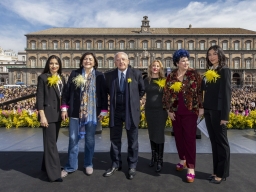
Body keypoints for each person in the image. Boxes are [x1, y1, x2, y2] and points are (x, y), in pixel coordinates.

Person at [61, 52, 108, 177]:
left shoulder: (99, 76)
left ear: (94, 62)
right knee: (72, 139)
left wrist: (103, 111)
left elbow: (103, 95)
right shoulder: (74, 73)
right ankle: (71, 166)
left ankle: (88, 164)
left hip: (92, 113)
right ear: (82, 61)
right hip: (76, 112)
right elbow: (66, 92)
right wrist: (64, 108)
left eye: (90, 59)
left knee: (90, 140)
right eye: (85, 59)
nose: (88, 61)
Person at [163, 49, 203, 183]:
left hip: (190, 111)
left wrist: (201, 107)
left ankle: (191, 167)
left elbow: (199, 92)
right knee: (178, 138)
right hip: (175, 112)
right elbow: (166, 94)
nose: (186, 63)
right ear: (177, 63)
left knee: (190, 139)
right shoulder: (171, 75)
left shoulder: (194, 74)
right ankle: (183, 159)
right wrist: (168, 110)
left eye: (187, 60)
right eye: (183, 61)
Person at [103, 52, 145, 180]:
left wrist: (134, 102)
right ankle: (116, 164)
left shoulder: (136, 74)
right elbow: (105, 91)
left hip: (131, 111)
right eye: (118, 60)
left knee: (133, 140)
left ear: (128, 61)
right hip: (116, 111)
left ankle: (132, 165)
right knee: (115, 140)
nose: (121, 61)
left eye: (123, 59)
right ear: (115, 62)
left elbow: (142, 90)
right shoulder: (109, 75)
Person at [203, 45, 231, 184]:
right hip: (208, 109)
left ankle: (222, 173)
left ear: (220, 54)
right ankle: (215, 171)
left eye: (214, 54)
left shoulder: (224, 70)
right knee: (213, 142)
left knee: (222, 143)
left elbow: (226, 93)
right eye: (209, 55)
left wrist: (225, 116)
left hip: (219, 111)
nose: (212, 57)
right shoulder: (209, 70)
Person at [36, 55, 65, 182]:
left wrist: (64, 110)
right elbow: (40, 98)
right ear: (48, 65)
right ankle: (54, 174)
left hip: (58, 115)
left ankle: (45, 166)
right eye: (51, 63)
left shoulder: (62, 78)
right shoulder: (43, 78)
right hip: (48, 115)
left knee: (51, 142)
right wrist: (42, 116)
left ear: (60, 65)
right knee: (51, 144)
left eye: (56, 63)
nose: (54, 66)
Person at [144, 60, 167, 172]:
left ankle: (160, 160)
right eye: (154, 66)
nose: (155, 68)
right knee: (152, 133)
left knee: (159, 134)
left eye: (158, 66)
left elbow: (169, 96)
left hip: (161, 111)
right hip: (149, 110)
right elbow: (139, 92)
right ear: (150, 67)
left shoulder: (164, 80)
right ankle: (153, 157)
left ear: (160, 68)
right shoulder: (146, 80)